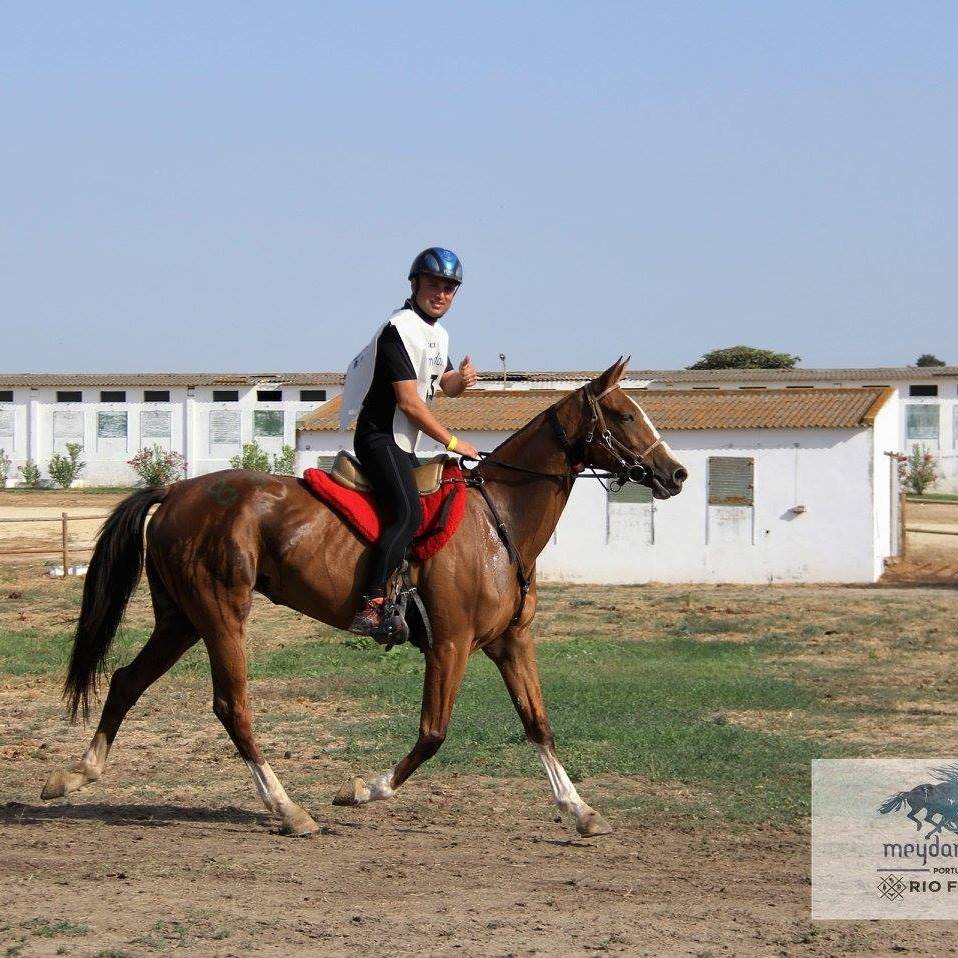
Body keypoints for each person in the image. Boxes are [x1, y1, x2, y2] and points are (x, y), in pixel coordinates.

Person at [339, 247, 479, 635]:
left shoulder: (436, 333)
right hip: (379, 437)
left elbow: (443, 384)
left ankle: (409, 593)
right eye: (434, 284)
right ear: (415, 284)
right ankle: (371, 604)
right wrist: (453, 443)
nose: (442, 294)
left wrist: (462, 382)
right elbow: (410, 403)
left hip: (404, 443)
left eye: (450, 288)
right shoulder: (398, 329)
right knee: (409, 515)